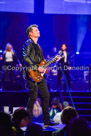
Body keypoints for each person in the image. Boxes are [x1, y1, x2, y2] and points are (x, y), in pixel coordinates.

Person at [23, 24, 61, 126]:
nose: (38, 31)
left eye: (38, 30)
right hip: (31, 73)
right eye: (36, 30)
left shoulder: (39, 46)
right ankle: (29, 121)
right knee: (33, 97)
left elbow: (43, 62)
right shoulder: (28, 43)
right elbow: (25, 57)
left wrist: (53, 60)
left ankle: (47, 121)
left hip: (40, 74)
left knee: (46, 96)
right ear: (30, 33)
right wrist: (36, 67)